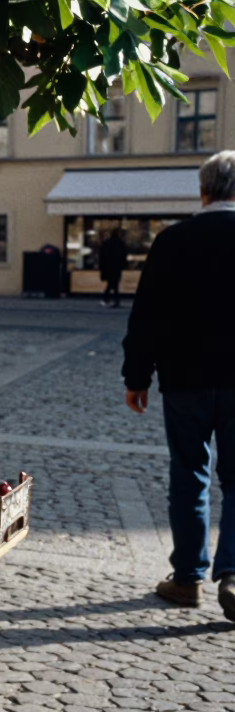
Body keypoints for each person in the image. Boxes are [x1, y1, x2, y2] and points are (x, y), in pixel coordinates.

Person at [122, 150, 235, 622]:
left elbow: (147, 314)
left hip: (185, 379)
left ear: (202, 190)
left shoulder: (172, 240)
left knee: (189, 475)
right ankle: (233, 573)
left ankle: (187, 578)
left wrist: (137, 376)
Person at [99, 227, 128, 308]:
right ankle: (113, 299)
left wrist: (101, 267)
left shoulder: (106, 243)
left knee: (112, 284)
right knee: (114, 284)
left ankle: (108, 299)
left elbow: (102, 256)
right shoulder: (121, 244)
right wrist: (124, 265)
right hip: (116, 267)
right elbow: (124, 255)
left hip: (108, 267)